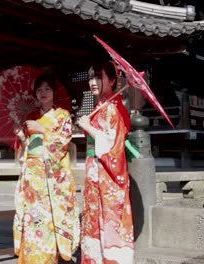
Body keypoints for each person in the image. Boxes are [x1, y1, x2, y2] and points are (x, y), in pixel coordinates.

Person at [13, 73, 80, 263]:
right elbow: (29, 147)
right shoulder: (31, 116)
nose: (42, 93)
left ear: (54, 92)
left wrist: (42, 129)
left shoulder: (63, 115)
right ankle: (32, 254)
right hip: (32, 174)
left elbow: (63, 143)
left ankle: (48, 255)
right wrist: (22, 137)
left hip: (51, 175)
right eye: (39, 90)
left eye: (47, 89)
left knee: (49, 216)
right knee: (32, 215)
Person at [77, 61, 134, 263]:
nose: (93, 82)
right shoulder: (102, 105)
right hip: (95, 169)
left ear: (112, 80)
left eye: (99, 77)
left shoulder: (113, 107)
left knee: (108, 219)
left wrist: (89, 128)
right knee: (94, 216)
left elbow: (113, 143)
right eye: (92, 77)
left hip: (108, 174)